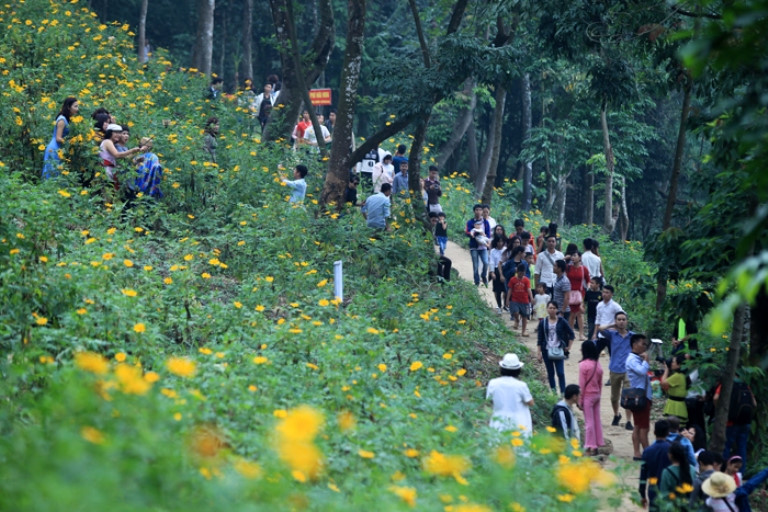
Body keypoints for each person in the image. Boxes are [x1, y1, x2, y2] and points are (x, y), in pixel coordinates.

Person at [486, 353, 534, 436]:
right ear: (518, 370)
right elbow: (530, 402)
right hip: (519, 422)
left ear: (501, 369)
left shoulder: (493, 383)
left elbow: (488, 401)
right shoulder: (521, 385)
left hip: (498, 421)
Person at [713, 378, 755, 469]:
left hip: (731, 422)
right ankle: (740, 473)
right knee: (742, 447)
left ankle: (724, 469)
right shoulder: (745, 385)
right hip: (745, 422)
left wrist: (720, 410)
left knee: (726, 446)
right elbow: (754, 403)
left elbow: (716, 398)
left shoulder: (726, 383)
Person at [537, 301, 575, 395]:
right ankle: (554, 393)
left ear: (557, 309)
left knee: (560, 373)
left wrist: (568, 347)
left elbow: (571, 334)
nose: (552, 310)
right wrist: (539, 353)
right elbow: (540, 338)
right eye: (550, 308)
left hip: (558, 349)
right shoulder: (543, 322)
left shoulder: (562, 321)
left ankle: (563, 393)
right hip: (546, 350)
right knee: (550, 373)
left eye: (554, 308)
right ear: (547, 309)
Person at [627, 334, 653, 459]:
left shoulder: (636, 358)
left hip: (640, 396)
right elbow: (642, 371)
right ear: (634, 344)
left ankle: (637, 453)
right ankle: (648, 453)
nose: (645, 346)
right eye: (643, 343)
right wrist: (646, 361)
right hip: (641, 397)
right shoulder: (632, 360)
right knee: (644, 428)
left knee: (637, 426)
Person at [99, 124, 146, 190]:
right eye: (115, 132)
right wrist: (132, 150)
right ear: (110, 132)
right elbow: (117, 155)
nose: (118, 135)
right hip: (106, 169)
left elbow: (124, 159)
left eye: (119, 133)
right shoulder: (108, 141)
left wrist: (137, 158)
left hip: (110, 170)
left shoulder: (111, 143)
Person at [42, 97, 79, 179]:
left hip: (60, 149)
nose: (77, 109)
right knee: (53, 173)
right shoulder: (62, 120)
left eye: (77, 106)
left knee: (58, 173)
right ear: (69, 107)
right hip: (54, 149)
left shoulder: (67, 119)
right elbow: (58, 138)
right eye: (75, 106)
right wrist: (71, 143)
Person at [639, 419, 672, 511]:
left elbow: (643, 476)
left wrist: (643, 495)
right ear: (668, 433)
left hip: (653, 488)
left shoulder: (647, 451)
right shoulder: (672, 450)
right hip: (669, 489)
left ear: (654, 432)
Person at [579, 340, 604, 456]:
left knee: (588, 421)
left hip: (588, 396)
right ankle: (598, 443)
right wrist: (599, 394)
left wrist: (580, 400)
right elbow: (600, 382)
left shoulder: (583, 365)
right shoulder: (597, 364)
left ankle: (590, 445)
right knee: (596, 419)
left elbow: (582, 385)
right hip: (597, 394)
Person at [702, 469, 768, 512]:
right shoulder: (732, 496)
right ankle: (766, 472)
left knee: (748, 487)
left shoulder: (710, 502)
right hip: (740, 499)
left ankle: (766, 472)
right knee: (747, 487)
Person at [659, 442, 697, 507]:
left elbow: (664, 495)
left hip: (673, 507)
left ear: (671, 455)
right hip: (688, 506)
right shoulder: (692, 469)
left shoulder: (667, 472)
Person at [566, 252, 590, 340]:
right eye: (572, 255)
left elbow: (588, 281)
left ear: (580, 258)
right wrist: (565, 258)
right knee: (571, 314)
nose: (573, 257)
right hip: (570, 292)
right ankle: (570, 332)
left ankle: (581, 334)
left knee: (580, 313)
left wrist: (589, 290)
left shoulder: (584, 269)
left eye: (575, 256)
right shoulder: (568, 268)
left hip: (580, 293)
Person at [465, 204, 490, 286]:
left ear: (482, 211)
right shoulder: (470, 222)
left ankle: (483, 275)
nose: (478, 212)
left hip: (483, 247)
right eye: (477, 210)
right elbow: (467, 232)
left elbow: (488, 233)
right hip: (474, 247)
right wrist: (476, 234)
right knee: (475, 266)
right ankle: (476, 281)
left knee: (486, 263)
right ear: (474, 211)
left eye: (480, 210)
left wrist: (487, 240)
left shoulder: (485, 222)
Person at [661, 354, 689, 421]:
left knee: (672, 428)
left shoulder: (678, 376)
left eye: (673, 362)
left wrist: (666, 369)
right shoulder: (683, 375)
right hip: (680, 405)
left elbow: (663, 382)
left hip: (674, 407)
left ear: (679, 365)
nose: (671, 364)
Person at [507, 265, 533, 336]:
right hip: (514, 300)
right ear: (517, 272)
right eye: (520, 273)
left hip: (525, 300)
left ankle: (523, 331)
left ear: (524, 272)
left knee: (525, 316)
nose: (521, 275)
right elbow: (510, 290)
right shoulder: (513, 280)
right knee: (515, 312)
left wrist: (531, 298)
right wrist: (507, 300)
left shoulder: (526, 280)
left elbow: (529, 289)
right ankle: (517, 320)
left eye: (522, 273)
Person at [489, 235, 508, 313]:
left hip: (505, 270)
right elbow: (492, 262)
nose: (500, 243)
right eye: (499, 241)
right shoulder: (493, 251)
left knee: (506, 290)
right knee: (498, 290)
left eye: (501, 241)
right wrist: (492, 272)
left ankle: (505, 305)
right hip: (496, 270)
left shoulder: (506, 250)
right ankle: (499, 306)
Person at [584, 277, 603, 341]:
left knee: (597, 331)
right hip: (590, 315)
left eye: (593, 283)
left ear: (598, 285)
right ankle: (589, 343)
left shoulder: (601, 294)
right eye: (590, 283)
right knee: (591, 330)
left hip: (599, 316)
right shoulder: (588, 293)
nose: (591, 284)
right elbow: (584, 301)